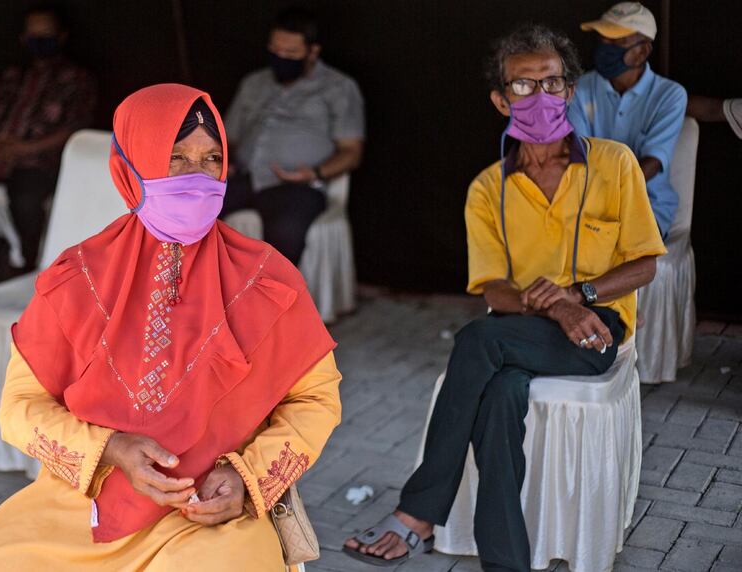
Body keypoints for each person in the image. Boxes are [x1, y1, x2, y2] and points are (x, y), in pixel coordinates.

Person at [0, 84, 341, 572]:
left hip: (210, 516)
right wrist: (111, 447)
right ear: (128, 169)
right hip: (82, 507)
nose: (197, 177)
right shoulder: (77, 279)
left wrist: (246, 477)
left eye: (211, 158)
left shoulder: (268, 279)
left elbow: (316, 400)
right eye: (175, 158)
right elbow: (19, 409)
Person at [343, 24, 665, 572]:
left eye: (552, 82)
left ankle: (418, 513)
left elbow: (646, 263)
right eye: (523, 86)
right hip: (521, 330)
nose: (540, 97)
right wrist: (553, 303)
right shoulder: (487, 188)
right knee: (500, 397)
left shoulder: (614, 164)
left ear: (569, 90)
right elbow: (492, 286)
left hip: (596, 330)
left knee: (476, 339)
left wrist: (576, 297)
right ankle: (506, 561)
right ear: (500, 99)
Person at [0, 2, 96, 286]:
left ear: (61, 37)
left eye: (47, 37)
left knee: (26, 198)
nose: (41, 44)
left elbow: (74, 128)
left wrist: (27, 149)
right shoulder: (13, 76)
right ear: (24, 40)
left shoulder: (75, 79)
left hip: (40, 160)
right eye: (35, 38)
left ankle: (27, 268)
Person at [222, 6, 365, 265]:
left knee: (284, 235)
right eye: (275, 51)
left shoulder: (339, 88)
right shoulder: (253, 83)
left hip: (296, 186)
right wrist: (219, 163)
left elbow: (351, 151)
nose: (281, 58)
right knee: (186, 209)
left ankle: (271, 304)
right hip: (244, 178)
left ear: (312, 52)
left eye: (290, 53)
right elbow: (225, 138)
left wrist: (315, 173)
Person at [568, 2, 686, 238]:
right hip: (586, 204)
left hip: (646, 206)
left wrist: (607, 200)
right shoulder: (579, 89)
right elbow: (577, 155)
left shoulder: (669, 95)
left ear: (642, 51)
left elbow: (651, 163)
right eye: (603, 40)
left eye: (618, 41)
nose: (606, 47)